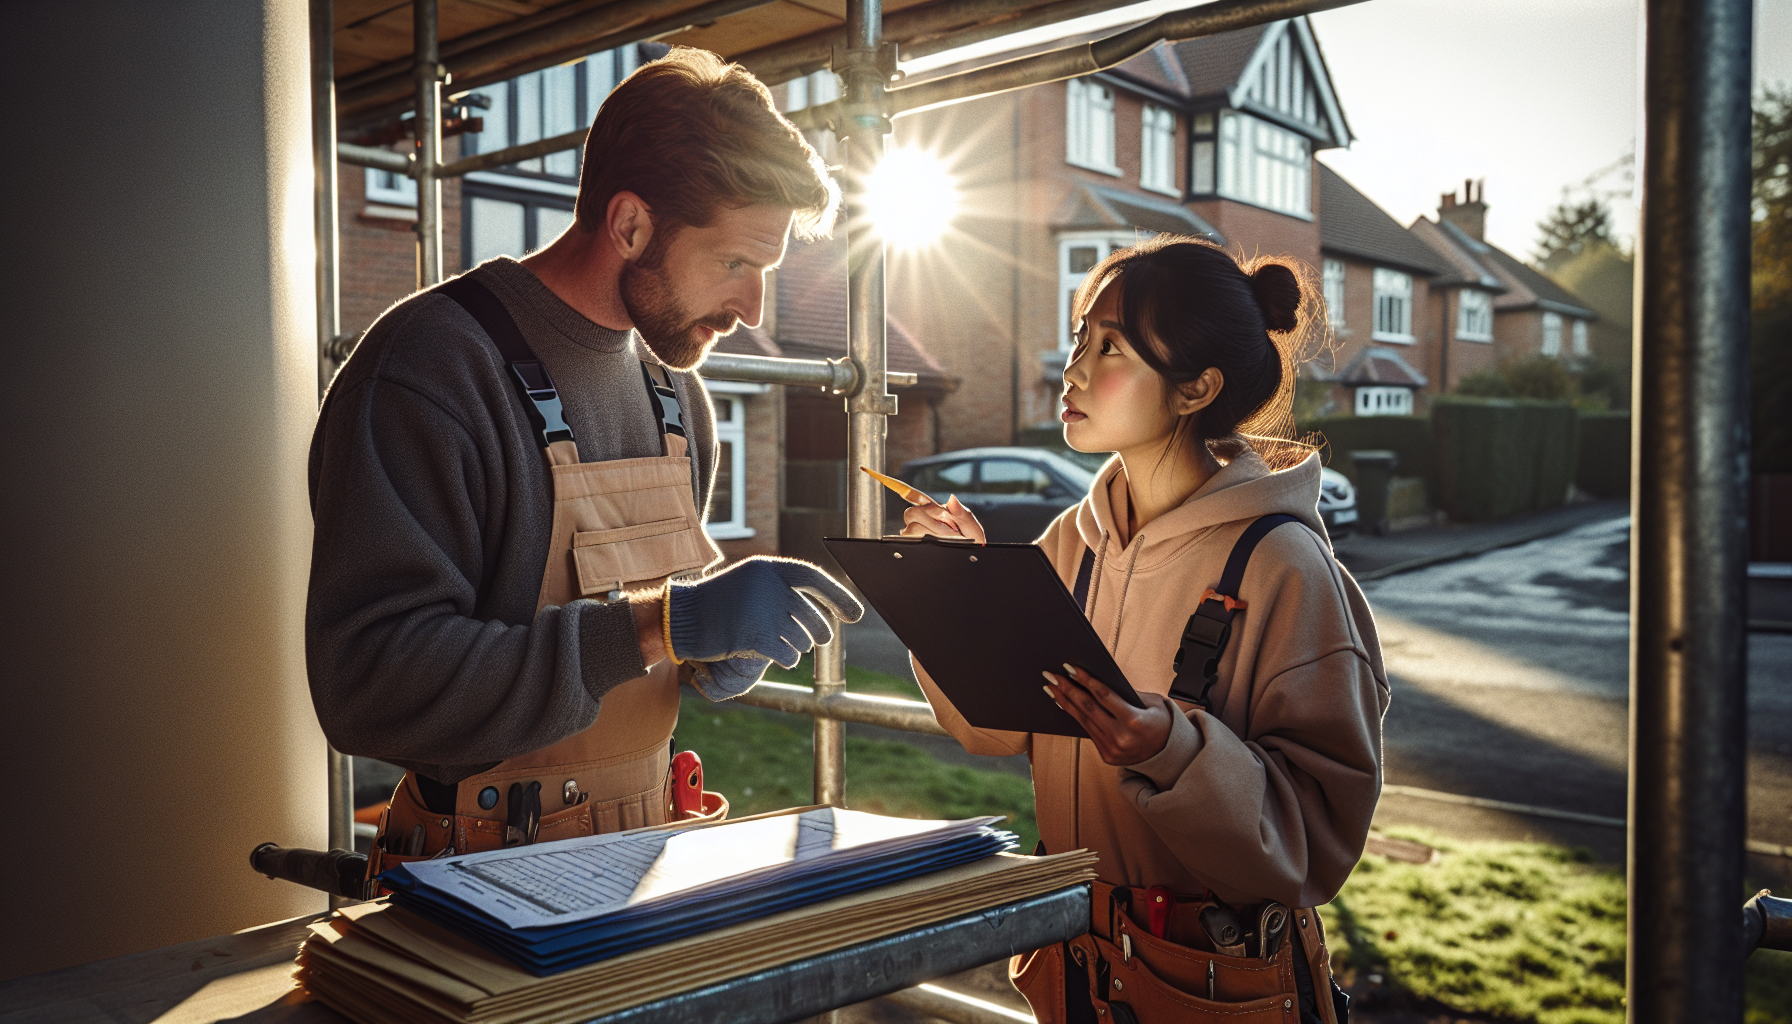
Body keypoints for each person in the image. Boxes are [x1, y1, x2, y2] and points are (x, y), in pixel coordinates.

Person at [305, 47, 860, 875]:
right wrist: (658, 623)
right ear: (631, 225)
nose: (751, 308)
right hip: (478, 878)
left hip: (648, 856)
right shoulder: (434, 370)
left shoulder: (676, 395)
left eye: (766, 271)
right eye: (735, 264)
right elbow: (369, 687)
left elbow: (622, 656)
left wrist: (701, 654)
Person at [901, 236, 1388, 1023]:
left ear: (1194, 388)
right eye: (1079, 339)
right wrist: (963, 592)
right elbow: (993, 732)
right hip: (1073, 970)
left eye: (1112, 347)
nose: (1075, 369)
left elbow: (1319, 842)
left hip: (1214, 990)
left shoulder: (1286, 568)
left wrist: (1172, 752)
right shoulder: (1070, 542)